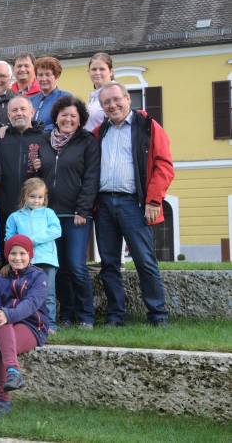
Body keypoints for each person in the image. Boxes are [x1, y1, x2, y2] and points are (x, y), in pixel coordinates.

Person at [93, 82, 174, 327]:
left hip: (134, 204)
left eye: (116, 99)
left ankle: (158, 315)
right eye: (106, 102)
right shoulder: (99, 132)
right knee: (109, 263)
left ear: (128, 99)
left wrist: (153, 200)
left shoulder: (148, 126)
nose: (112, 105)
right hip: (104, 204)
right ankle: (115, 316)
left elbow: (164, 166)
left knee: (144, 260)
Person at [39, 96, 99, 329]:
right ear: (56, 117)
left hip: (77, 215)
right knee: (60, 267)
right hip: (49, 214)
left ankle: (86, 315)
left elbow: (91, 177)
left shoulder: (87, 141)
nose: (68, 119)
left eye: (73, 116)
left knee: (76, 265)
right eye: (64, 115)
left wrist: (83, 209)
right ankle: (66, 314)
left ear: (80, 119)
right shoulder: (45, 140)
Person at [0, 234, 49, 418]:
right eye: (13, 253)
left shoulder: (39, 276)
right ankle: (12, 374)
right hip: (4, 326)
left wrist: (6, 315)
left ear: (30, 255)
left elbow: (30, 304)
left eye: (22, 253)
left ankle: (2, 398)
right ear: (7, 255)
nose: (17, 258)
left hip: (32, 326)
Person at [5, 178, 61, 333]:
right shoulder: (15, 217)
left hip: (47, 260)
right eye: (32, 196)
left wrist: (31, 241)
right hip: (24, 262)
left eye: (40, 197)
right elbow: (9, 239)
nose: (36, 200)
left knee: (48, 294)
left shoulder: (49, 213)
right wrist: (21, 247)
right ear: (25, 196)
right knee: (25, 293)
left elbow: (56, 231)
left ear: (45, 198)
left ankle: (49, 325)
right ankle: (28, 323)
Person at [0, 97, 47, 242]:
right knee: (7, 249)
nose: (19, 113)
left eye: (23, 109)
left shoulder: (45, 138)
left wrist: (42, 167)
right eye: (14, 110)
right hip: (4, 209)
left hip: (34, 209)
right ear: (8, 115)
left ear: (32, 112)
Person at [29, 56, 70, 132]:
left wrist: (40, 130)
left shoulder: (66, 98)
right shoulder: (31, 100)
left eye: (48, 74)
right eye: (40, 75)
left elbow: (66, 122)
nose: (43, 79)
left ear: (56, 76)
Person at [85, 52, 114, 131]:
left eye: (102, 69)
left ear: (111, 72)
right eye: (94, 69)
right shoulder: (94, 96)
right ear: (89, 72)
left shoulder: (114, 93)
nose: (97, 73)